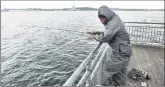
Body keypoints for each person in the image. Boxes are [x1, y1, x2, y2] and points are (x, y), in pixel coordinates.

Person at [89, 6, 132, 86]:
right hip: (124, 51)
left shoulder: (113, 23)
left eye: (101, 19)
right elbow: (109, 33)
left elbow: (106, 37)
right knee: (119, 73)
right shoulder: (114, 19)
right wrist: (97, 32)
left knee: (106, 70)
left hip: (121, 54)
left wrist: (94, 36)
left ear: (106, 16)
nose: (100, 21)